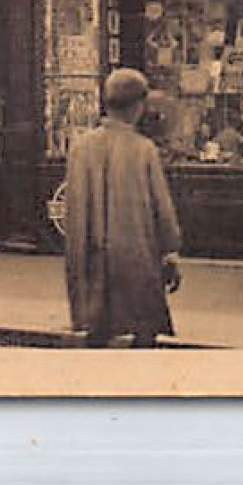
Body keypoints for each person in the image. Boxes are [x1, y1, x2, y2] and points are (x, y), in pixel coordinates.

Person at [64, 68, 184, 349]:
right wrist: (171, 251)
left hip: (90, 260)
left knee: (96, 331)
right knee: (143, 330)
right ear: (138, 107)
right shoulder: (144, 150)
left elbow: (72, 212)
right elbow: (162, 209)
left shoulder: (80, 148)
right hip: (136, 258)